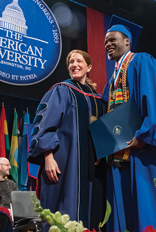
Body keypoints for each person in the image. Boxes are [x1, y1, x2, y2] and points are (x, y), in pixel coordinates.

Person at [102, 25, 156, 232]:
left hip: (146, 152)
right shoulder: (112, 79)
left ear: (127, 42)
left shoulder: (141, 62)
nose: (108, 45)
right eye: (105, 42)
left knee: (153, 210)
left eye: (112, 40)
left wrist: (144, 136)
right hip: (122, 155)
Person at [27, 50, 107, 231]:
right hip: (65, 165)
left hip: (94, 170)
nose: (74, 64)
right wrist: (47, 157)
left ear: (89, 67)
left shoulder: (99, 100)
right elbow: (45, 125)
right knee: (64, 212)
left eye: (79, 61)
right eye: (71, 61)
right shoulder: (61, 90)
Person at [0, 158, 17, 232]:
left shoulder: (12, 184)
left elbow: (18, 201)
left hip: (13, 215)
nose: (10, 167)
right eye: (7, 165)